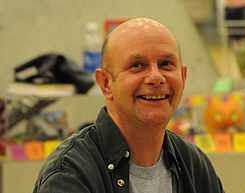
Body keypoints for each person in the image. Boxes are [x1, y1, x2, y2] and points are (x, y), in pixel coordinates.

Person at [33, 17, 225, 193]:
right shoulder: (70, 174)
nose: (156, 77)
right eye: (137, 65)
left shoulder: (194, 164)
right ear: (106, 83)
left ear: (183, 77)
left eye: (166, 64)